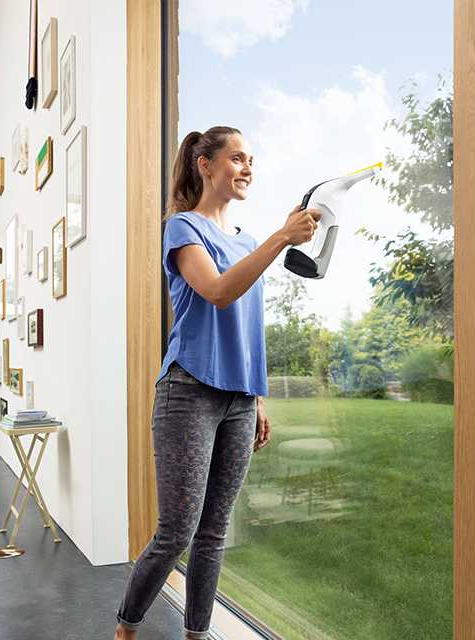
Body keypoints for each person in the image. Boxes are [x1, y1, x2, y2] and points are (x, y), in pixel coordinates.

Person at [114, 126, 321, 639]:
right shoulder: (183, 229)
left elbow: (249, 326)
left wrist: (257, 396)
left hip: (239, 399)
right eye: (237, 158)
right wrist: (281, 237)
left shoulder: (248, 242)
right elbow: (220, 292)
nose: (247, 167)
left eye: (252, 159)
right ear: (205, 165)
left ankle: (197, 635)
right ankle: (125, 628)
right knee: (176, 532)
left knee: (214, 533)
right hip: (188, 392)